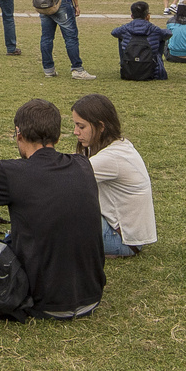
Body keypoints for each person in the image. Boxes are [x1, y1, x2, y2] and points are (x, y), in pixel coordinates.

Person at [0, 99, 106, 318]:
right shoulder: (83, 164)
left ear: (19, 134)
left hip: (39, 300)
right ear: (56, 136)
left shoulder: (8, 172)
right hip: (91, 296)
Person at [71, 93, 157, 258]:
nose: (75, 132)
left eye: (81, 127)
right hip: (127, 236)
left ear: (101, 126)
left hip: (122, 240)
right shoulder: (118, 145)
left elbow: (64, 178)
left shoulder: (111, 158)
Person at [108, 1, 171, 81]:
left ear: (132, 16)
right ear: (147, 16)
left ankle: (124, 64)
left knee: (121, 38)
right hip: (151, 71)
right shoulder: (154, 29)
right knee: (161, 39)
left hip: (129, 72)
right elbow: (168, 34)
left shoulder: (125, 28)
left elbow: (114, 32)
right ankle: (158, 66)